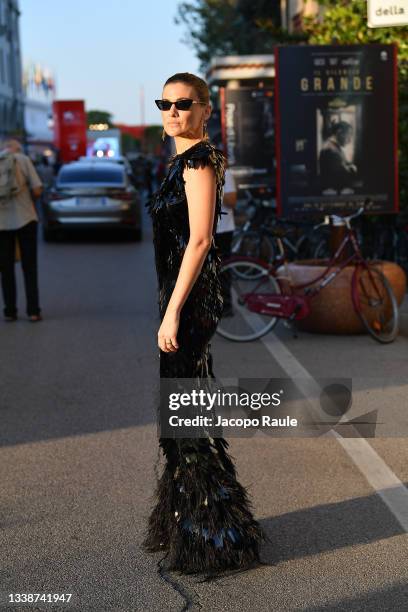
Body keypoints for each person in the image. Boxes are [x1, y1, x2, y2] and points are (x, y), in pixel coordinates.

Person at [143, 72, 265, 574]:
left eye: (183, 104)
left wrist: (173, 310)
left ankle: (216, 533)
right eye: (165, 104)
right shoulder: (181, 161)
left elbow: (199, 241)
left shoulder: (197, 163)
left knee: (185, 414)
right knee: (181, 412)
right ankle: (183, 520)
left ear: (206, 110)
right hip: (182, 297)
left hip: (189, 303)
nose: (173, 112)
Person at [0, 139, 43, 322]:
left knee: (5, 268)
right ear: (17, 149)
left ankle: (10, 310)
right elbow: (38, 189)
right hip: (26, 219)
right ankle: (33, 311)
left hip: (2, 223)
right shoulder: (23, 160)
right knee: (29, 266)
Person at [215, 165, 237, 317]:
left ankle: (226, 305)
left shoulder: (225, 174)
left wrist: (212, 188)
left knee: (223, 268)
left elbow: (231, 200)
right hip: (202, 229)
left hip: (222, 229)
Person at [319, 121, 357, 191]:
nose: (350, 140)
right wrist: (351, 169)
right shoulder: (331, 149)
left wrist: (347, 167)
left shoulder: (333, 147)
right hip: (333, 192)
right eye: (348, 135)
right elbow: (341, 174)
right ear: (339, 132)